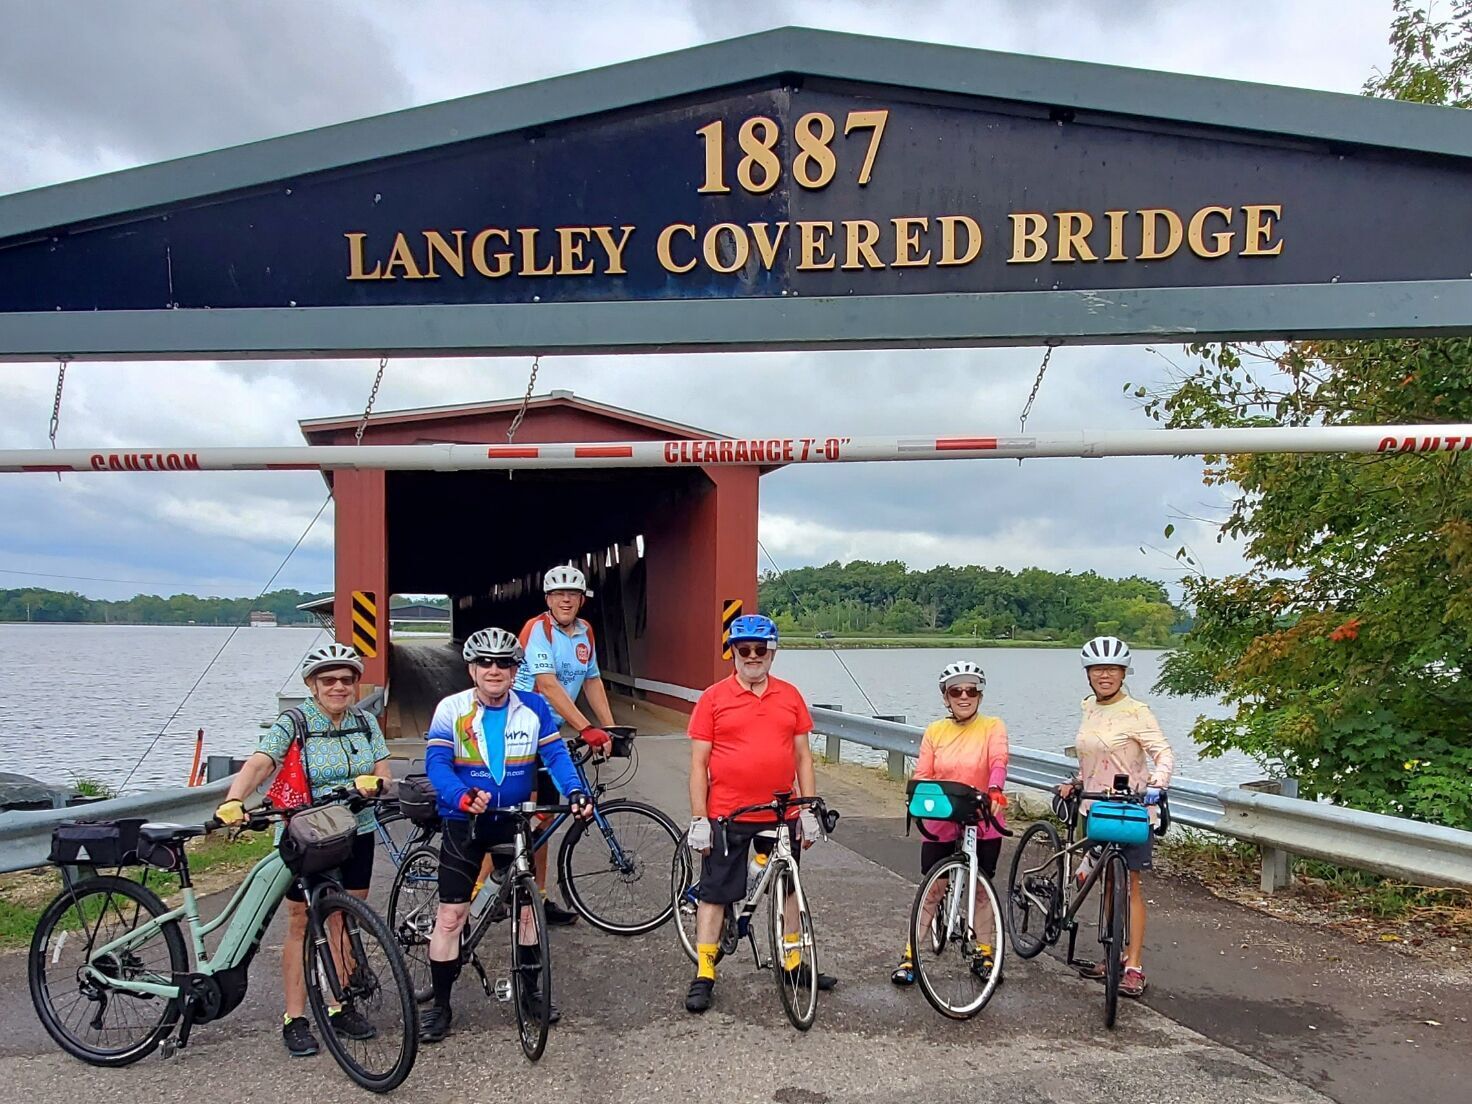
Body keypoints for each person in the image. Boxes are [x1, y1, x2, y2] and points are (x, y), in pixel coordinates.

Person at [215, 642, 391, 1058]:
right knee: (300, 923)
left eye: (346, 680)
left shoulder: (365, 722)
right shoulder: (294, 721)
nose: (338, 687)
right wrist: (234, 799)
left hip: (356, 830)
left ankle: (338, 1005)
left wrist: (376, 783)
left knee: (344, 917)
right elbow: (261, 762)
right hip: (305, 834)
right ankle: (294, 1017)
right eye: (328, 680)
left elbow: (382, 767)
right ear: (312, 685)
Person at [417, 627, 593, 1044]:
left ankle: (531, 994)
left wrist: (575, 791)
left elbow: (555, 755)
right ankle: (441, 1005)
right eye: (485, 663)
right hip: (464, 821)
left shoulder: (533, 706)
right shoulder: (451, 709)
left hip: (513, 821)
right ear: (472, 669)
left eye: (504, 663)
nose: (494, 670)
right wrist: (460, 796)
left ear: (515, 671)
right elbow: (437, 764)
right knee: (451, 916)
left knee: (527, 910)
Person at [684, 613, 836, 1014]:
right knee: (715, 893)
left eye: (761, 649)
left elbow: (802, 757)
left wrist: (808, 807)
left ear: (772, 652)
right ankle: (705, 971)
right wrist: (699, 819)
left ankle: (792, 963)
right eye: (744, 649)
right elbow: (698, 764)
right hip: (727, 813)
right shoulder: (713, 699)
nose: (753, 656)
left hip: (781, 812)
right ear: (733, 652)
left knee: (789, 889)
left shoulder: (790, 696)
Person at [1057, 635, 1175, 998]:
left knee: (1130, 884)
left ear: (1124, 673)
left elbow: (1164, 754)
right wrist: (1077, 782)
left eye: (1112, 669)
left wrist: (1157, 783)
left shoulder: (1137, 712)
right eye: (1097, 669)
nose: (1104, 675)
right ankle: (1110, 957)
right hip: (1095, 807)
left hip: (1132, 810)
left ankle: (1133, 965)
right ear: (1088, 674)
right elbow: (1093, 757)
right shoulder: (1089, 707)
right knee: (1106, 882)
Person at [891, 660, 1009, 987]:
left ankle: (984, 952)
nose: (964, 696)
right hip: (943, 815)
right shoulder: (935, 731)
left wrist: (995, 789)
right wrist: (916, 795)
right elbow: (923, 772)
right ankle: (910, 956)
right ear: (946, 697)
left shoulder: (993, 726)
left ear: (980, 695)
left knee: (982, 889)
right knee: (933, 888)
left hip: (983, 814)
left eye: (971, 690)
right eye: (956, 691)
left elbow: (999, 760)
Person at [512, 564, 614, 925]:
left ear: (582, 599)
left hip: (549, 733)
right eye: (558, 594)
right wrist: (586, 727)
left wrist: (610, 728)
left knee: (543, 819)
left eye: (572, 594)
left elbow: (592, 680)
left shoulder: (585, 631)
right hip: (520, 732)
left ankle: (537, 899)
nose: (566, 600)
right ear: (548, 599)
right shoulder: (537, 629)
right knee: (516, 819)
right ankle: (480, 893)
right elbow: (548, 685)